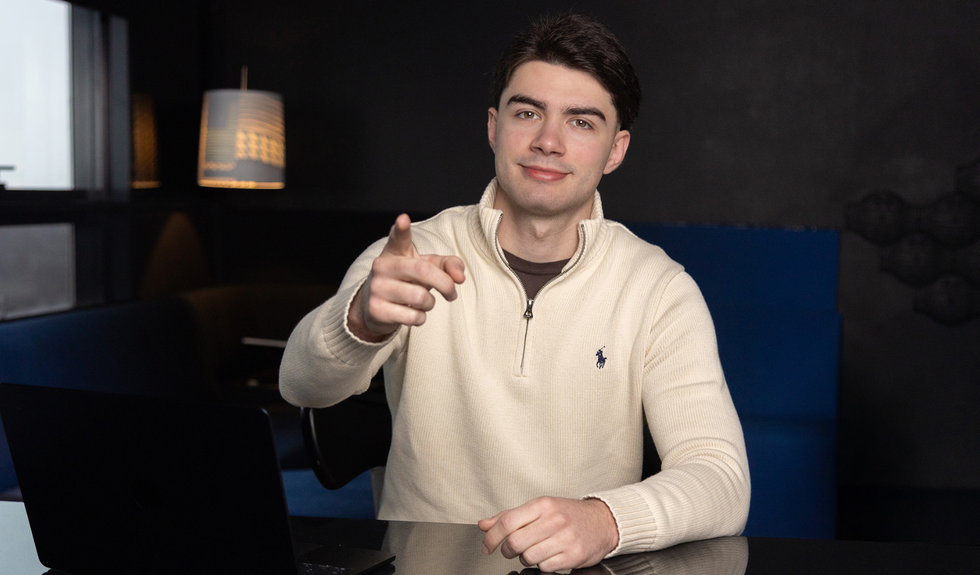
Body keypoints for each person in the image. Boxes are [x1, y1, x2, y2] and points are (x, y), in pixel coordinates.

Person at [280, 13, 750, 572]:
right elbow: (300, 386)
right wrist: (360, 323)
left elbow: (720, 478)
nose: (548, 141)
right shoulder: (411, 255)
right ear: (493, 127)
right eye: (527, 113)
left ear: (616, 150)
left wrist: (606, 520)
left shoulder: (658, 289)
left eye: (581, 122)